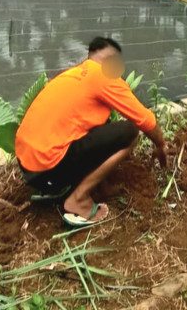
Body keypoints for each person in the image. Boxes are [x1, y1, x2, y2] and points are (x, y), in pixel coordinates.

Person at [15, 36, 167, 226]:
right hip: (47, 168)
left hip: (27, 164)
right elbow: (145, 119)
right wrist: (160, 144)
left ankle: (86, 186)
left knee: (103, 129)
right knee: (130, 132)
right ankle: (78, 199)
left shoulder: (75, 74)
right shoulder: (104, 76)